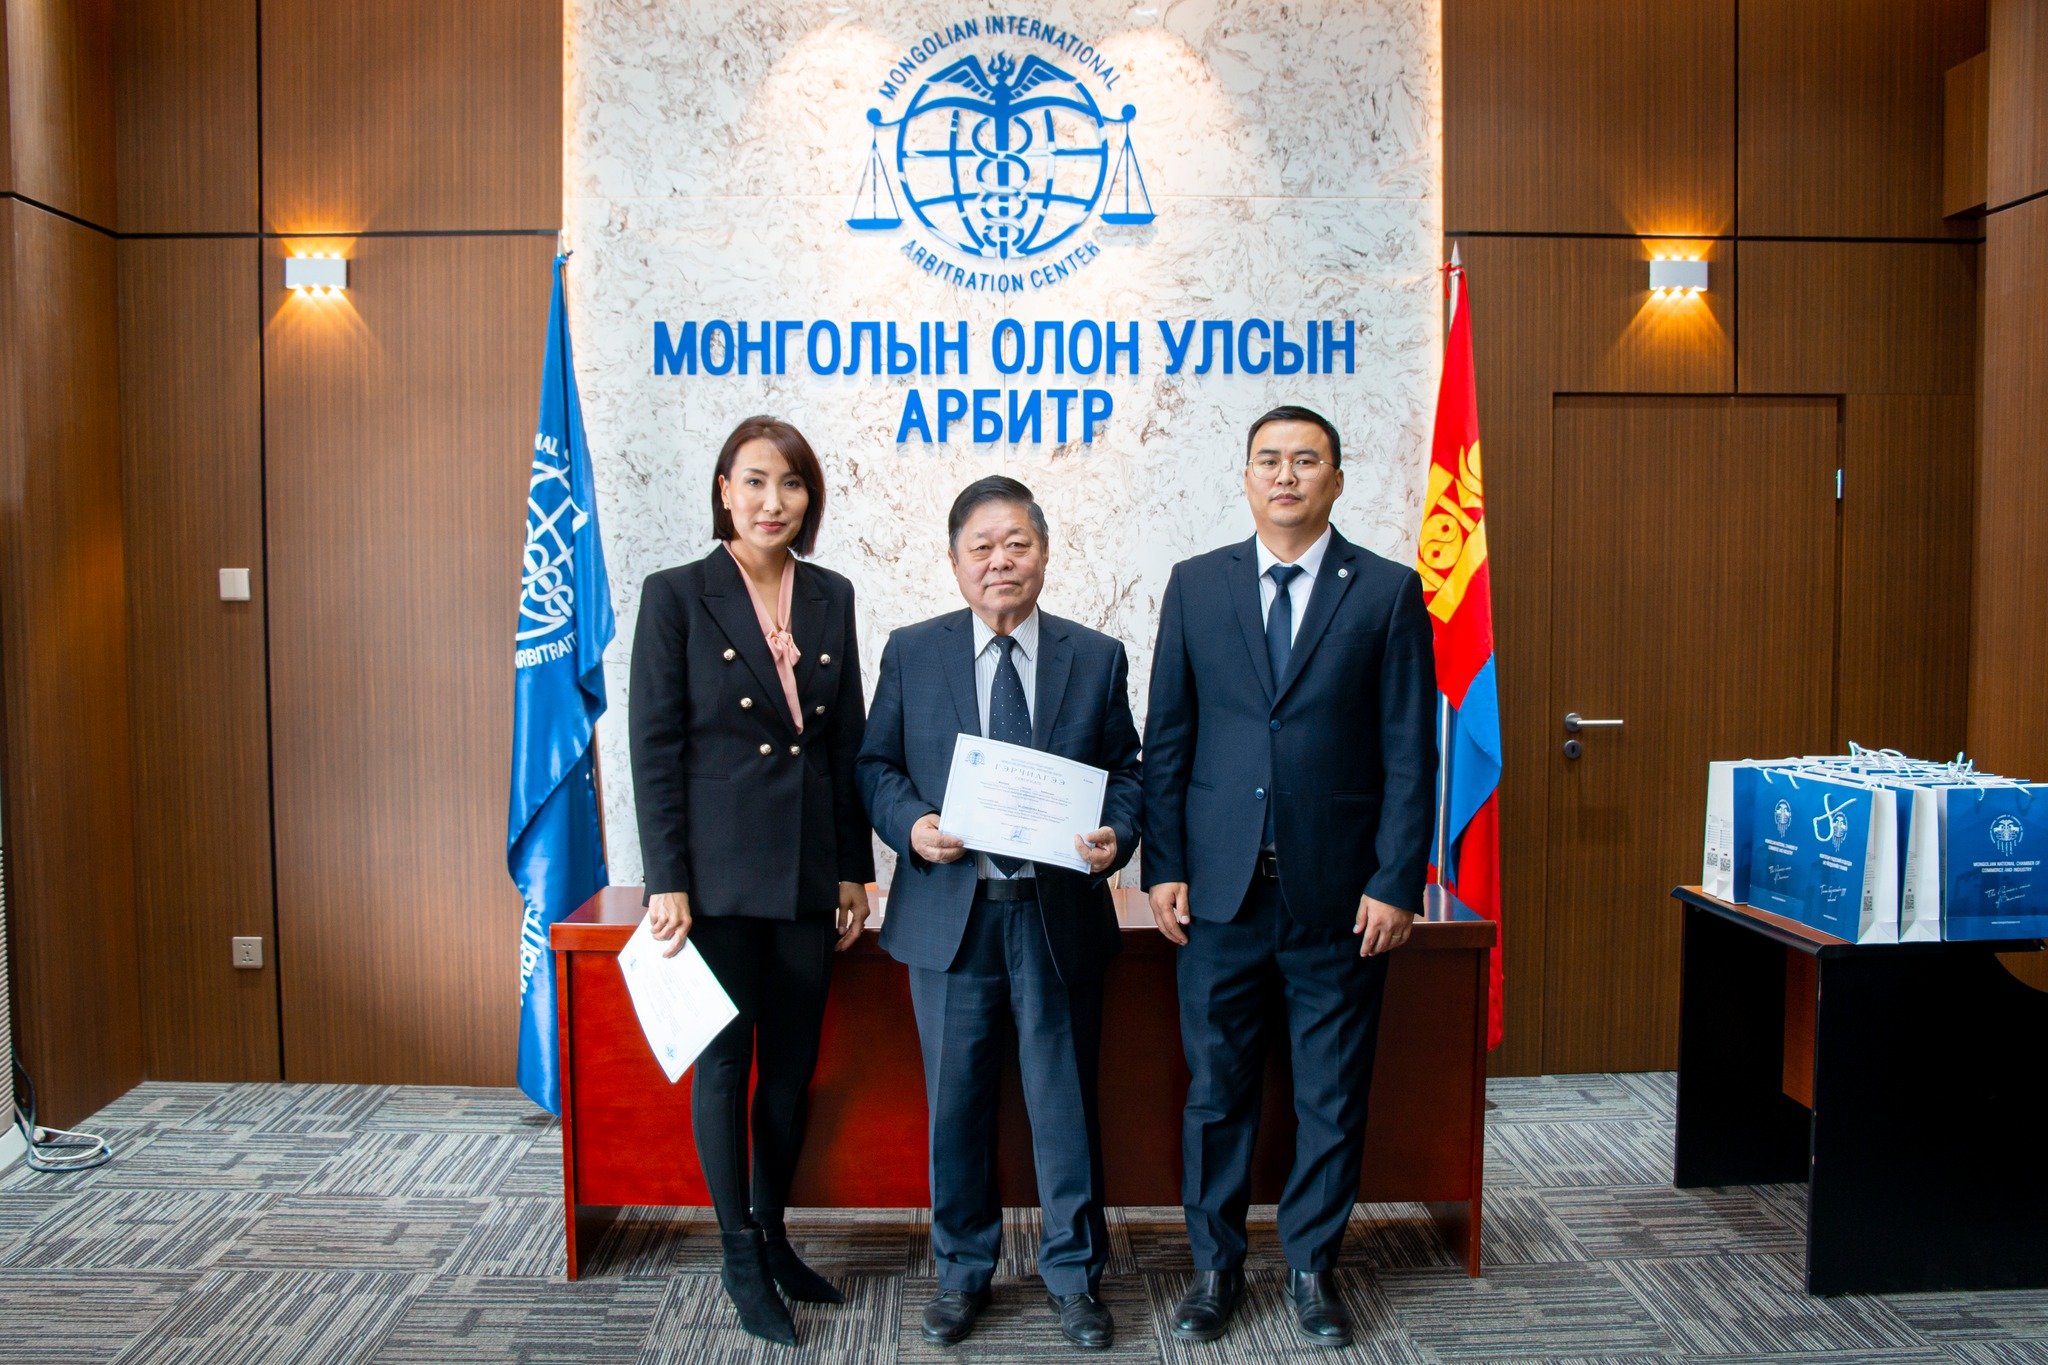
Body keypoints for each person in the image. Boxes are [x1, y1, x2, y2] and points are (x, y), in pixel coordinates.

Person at [1142, 405, 1437, 1348]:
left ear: (1336, 480)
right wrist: (1164, 865)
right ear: (1245, 477)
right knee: (1215, 1092)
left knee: (1331, 1093)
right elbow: (1169, 737)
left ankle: (1313, 1267)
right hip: (1220, 895)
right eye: (1268, 459)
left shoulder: (1386, 591)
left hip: (1340, 899)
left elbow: (1410, 749)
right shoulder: (1197, 585)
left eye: (1305, 460)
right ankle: (1215, 1269)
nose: (1285, 475)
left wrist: (1397, 878)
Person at [856, 476, 1142, 1350]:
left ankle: (1073, 1275)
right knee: (958, 1106)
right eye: (981, 546)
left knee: (1065, 1106)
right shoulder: (912, 651)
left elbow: (1129, 772)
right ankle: (961, 1273)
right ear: (954, 562)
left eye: (1017, 543)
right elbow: (875, 766)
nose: (1000, 560)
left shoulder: (1096, 656)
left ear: (1044, 553)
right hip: (953, 916)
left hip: (1056, 916)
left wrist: (1116, 837)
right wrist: (913, 825)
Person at [628, 416, 874, 1347]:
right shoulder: (677, 594)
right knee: (727, 1066)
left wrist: (853, 867)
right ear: (725, 490)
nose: (775, 501)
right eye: (757, 481)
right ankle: (738, 1254)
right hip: (717, 879)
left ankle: (774, 1235)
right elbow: (653, 743)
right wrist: (667, 877)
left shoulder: (831, 594)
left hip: (807, 873)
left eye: (793, 484)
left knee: (793, 1069)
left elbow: (846, 741)